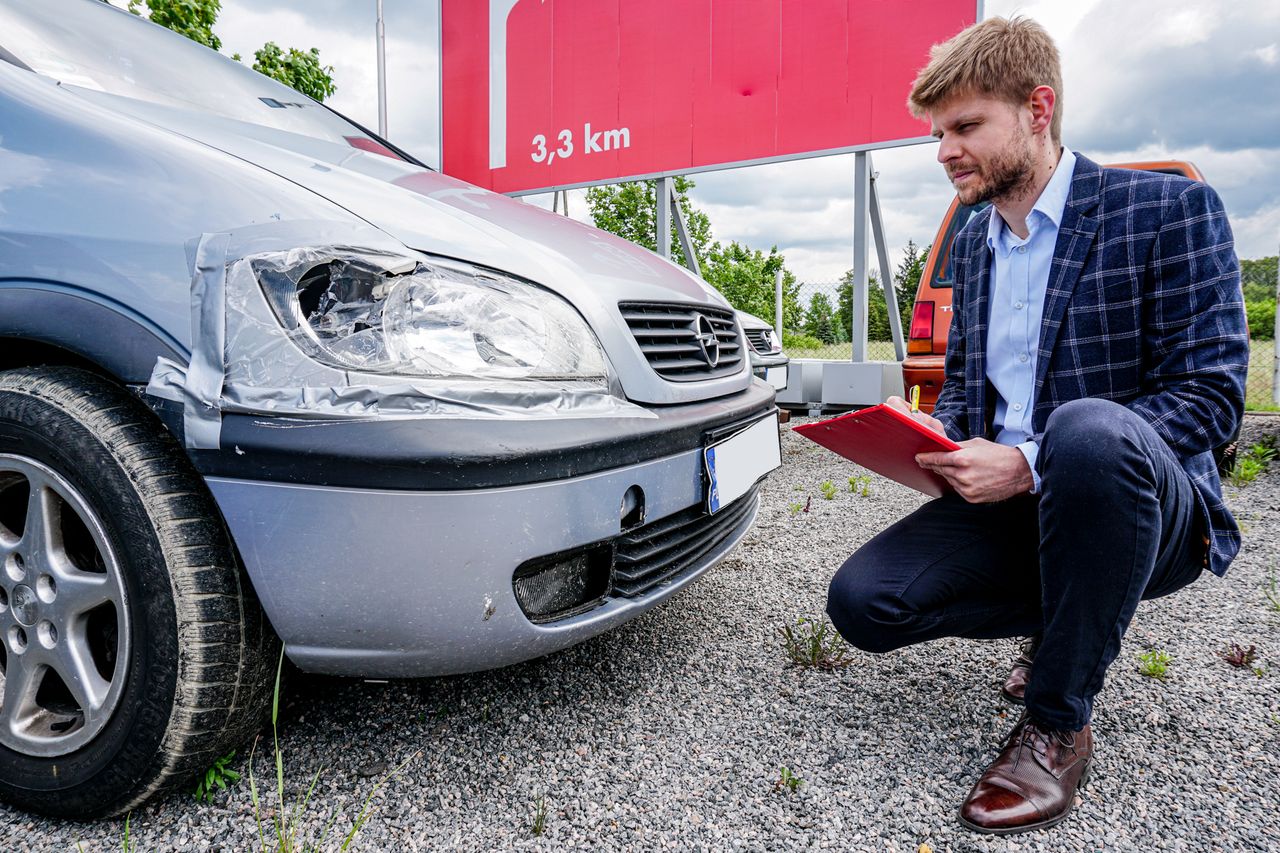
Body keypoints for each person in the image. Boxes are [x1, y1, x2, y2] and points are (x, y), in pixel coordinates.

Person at [824, 16, 1249, 836]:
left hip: (1144, 506)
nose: (945, 149)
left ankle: (1058, 716)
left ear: (1038, 109)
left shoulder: (1169, 212)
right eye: (938, 132)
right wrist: (933, 442)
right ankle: (1070, 617)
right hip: (1024, 505)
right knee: (863, 603)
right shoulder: (978, 246)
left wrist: (1027, 465)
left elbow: (1211, 399)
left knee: (1085, 431)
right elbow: (967, 393)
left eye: (966, 126)